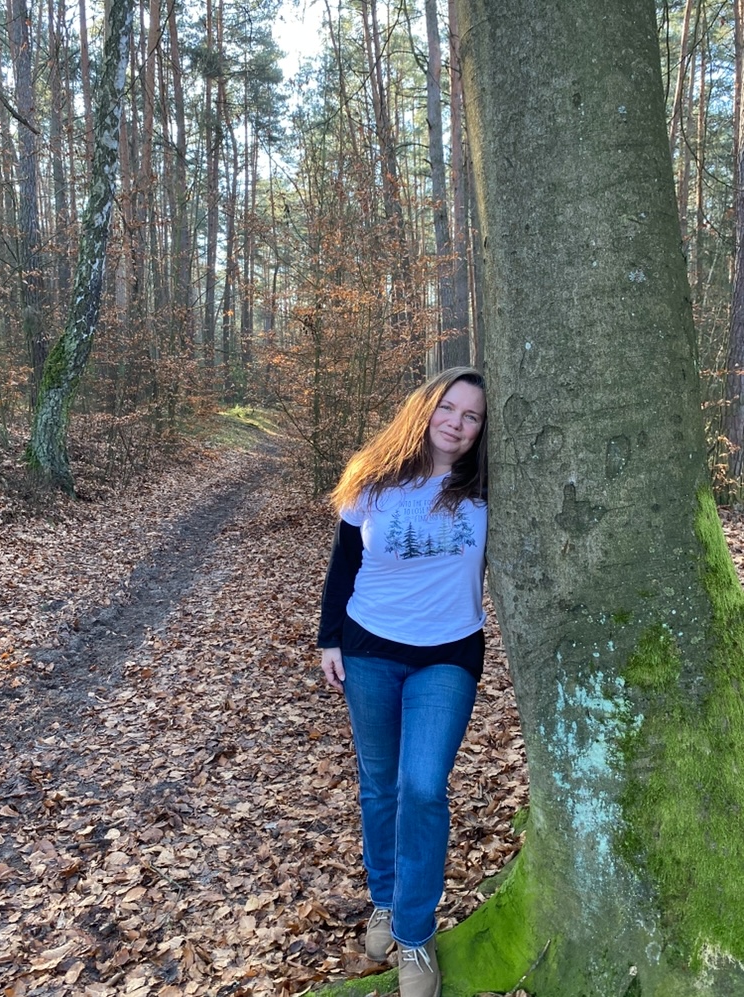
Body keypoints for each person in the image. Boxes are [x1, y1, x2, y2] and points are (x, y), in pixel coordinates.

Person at [317, 367, 488, 997]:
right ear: (426, 407)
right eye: (450, 408)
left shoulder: (488, 485)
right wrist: (329, 638)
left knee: (422, 786)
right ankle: (385, 900)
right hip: (369, 650)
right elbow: (344, 562)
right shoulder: (373, 476)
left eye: (472, 417)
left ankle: (415, 935)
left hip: (449, 653)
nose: (458, 424)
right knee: (380, 783)